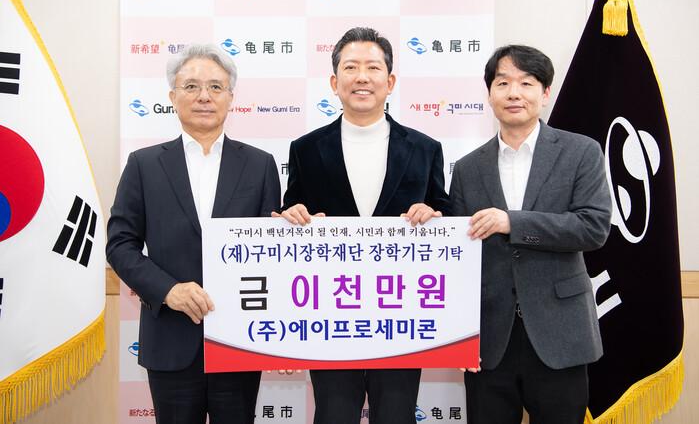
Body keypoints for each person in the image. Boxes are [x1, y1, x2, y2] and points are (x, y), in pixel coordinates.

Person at [275, 27, 450, 424]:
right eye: (350, 67)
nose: (362, 77)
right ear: (334, 82)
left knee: (397, 415)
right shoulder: (305, 149)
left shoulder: (425, 148)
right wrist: (293, 216)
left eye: (373, 67)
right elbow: (291, 215)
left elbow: (446, 215)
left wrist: (433, 215)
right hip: (329, 314)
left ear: (390, 81)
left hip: (401, 313)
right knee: (333, 415)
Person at [107, 43, 280, 424]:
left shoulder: (260, 165)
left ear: (231, 97)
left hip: (239, 341)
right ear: (173, 96)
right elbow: (120, 244)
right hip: (170, 341)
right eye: (191, 86)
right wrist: (168, 290)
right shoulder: (143, 165)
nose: (204, 96)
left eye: (216, 87)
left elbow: (271, 255)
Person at [449, 45, 612, 424]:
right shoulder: (469, 168)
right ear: (490, 93)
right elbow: (459, 259)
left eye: (526, 83)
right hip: (489, 340)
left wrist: (513, 223)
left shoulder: (581, 152)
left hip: (560, 333)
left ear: (545, 93)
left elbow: (593, 227)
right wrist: (458, 337)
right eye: (503, 83)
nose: (514, 93)